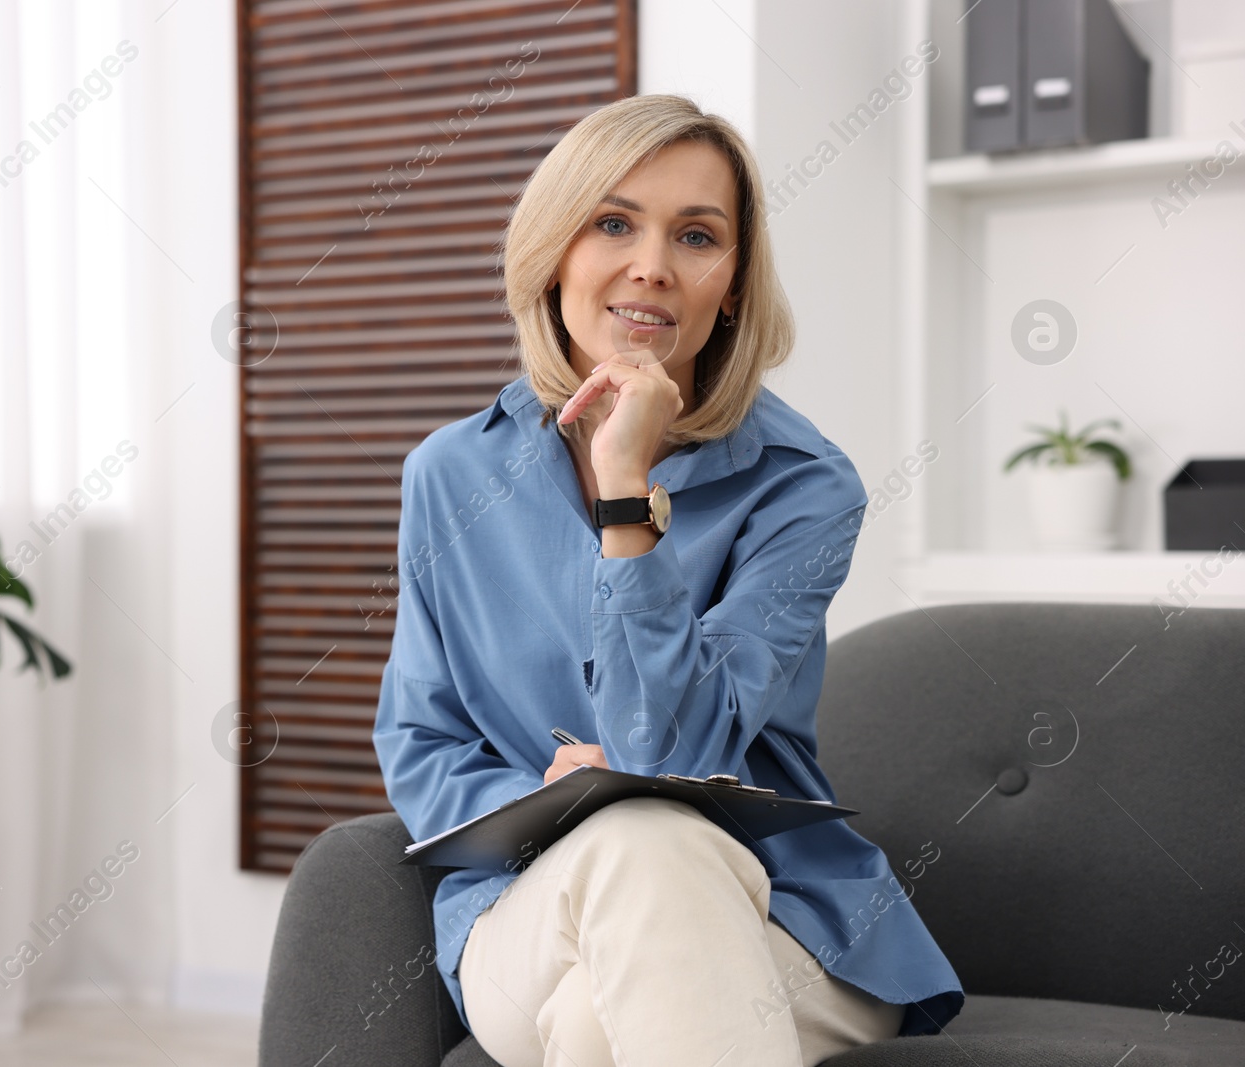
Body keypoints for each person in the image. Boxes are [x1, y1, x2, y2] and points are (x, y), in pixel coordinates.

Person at [371, 94, 963, 1067]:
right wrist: (546, 803)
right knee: (635, 839)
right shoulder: (450, 472)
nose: (651, 263)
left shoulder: (805, 486)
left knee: (607, 994)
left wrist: (622, 498)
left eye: (696, 235)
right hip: (529, 909)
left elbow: (673, 748)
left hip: (785, 918)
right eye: (612, 222)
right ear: (555, 249)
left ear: (730, 285)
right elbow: (420, 738)